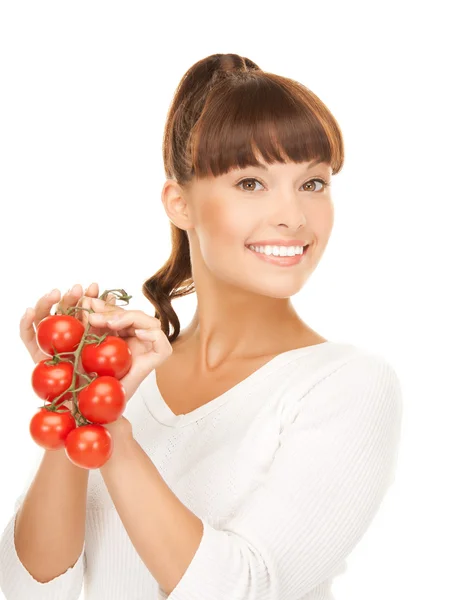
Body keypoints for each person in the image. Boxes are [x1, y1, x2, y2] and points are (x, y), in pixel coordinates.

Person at [0, 53, 403, 599]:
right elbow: (26, 590)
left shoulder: (346, 385)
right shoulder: (127, 375)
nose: (294, 216)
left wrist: (113, 433)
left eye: (313, 183)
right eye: (251, 183)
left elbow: (242, 589)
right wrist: (80, 402)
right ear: (179, 203)